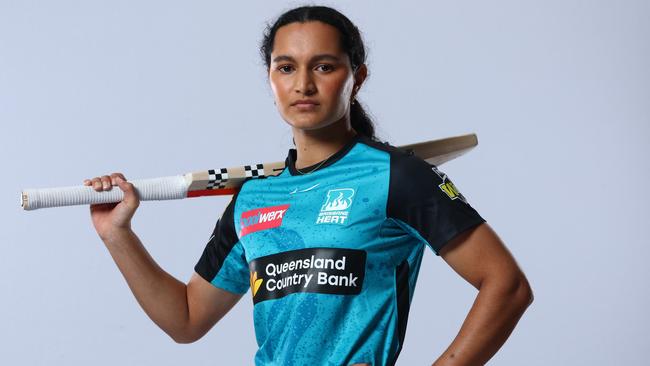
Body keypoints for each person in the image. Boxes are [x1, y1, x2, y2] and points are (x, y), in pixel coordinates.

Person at [84, 5, 533, 366]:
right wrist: (117, 235)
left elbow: (507, 285)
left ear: (357, 78)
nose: (303, 84)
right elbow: (185, 320)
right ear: (270, 80)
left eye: (323, 66)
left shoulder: (397, 176)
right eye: (286, 68)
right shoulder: (253, 196)